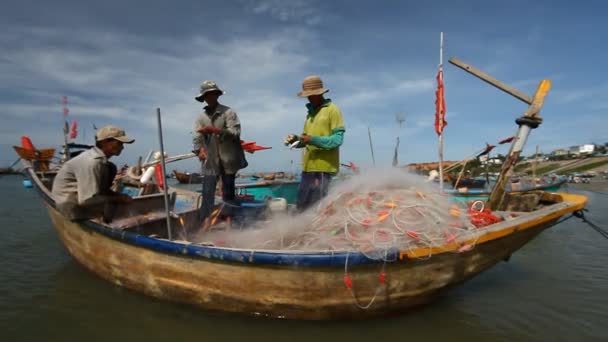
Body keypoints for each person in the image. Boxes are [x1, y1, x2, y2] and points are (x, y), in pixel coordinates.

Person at [193, 80, 248, 231]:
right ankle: (205, 222)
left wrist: (216, 131)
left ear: (217, 95)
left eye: (213, 94)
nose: (210, 97)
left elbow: (235, 132)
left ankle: (229, 222)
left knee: (228, 191)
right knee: (207, 191)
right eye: (207, 95)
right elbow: (196, 137)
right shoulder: (201, 117)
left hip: (229, 158)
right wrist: (199, 151)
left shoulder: (228, 112)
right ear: (203, 97)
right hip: (211, 160)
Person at [285, 75, 345, 211]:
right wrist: (295, 140)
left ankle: (316, 231)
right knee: (302, 206)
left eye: (312, 95)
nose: (309, 98)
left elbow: (337, 140)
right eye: (307, 96)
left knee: (316, 208)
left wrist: (312, 139)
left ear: (320, 93)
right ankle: (303, 231)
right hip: (308, 168)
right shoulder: (310, 114)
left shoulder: (332, 110)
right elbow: (305, 140)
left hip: (323, 169)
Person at [52, 125, 134, 221]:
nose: (122, 147)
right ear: (105, 142)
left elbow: (101, 190)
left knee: (111, 168)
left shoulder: (103, 163)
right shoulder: (92, 162)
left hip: (84, 200)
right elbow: (86, 200)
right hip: (70, 207)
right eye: (119, 143)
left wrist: (117, 195)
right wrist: (117, 199)